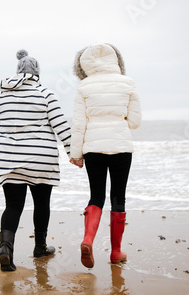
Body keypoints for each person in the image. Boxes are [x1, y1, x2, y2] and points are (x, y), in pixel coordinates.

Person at [0, 50, 71, 272]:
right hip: (41, 159)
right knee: (42, 204)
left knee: (13, 205)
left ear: (18, 72)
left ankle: (6, 250)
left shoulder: (2, 96)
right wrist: (74, 152)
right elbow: (61, 126)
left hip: (7, 159)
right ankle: (40, 247)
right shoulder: (46, 94)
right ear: (37, 73)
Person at [69, 43, 141, 268]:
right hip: (121, 147)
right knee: (118, 197)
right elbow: (135, 122)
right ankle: (116, 252)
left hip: (93, 149)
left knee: (96, 196)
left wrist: (76, 154)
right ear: (116, 59)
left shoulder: (84, 86)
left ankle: (88, 239)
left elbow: (79, 124)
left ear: (85, 63)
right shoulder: (127, 83)